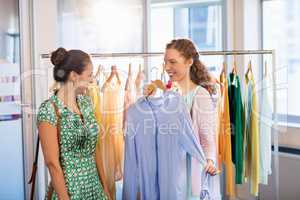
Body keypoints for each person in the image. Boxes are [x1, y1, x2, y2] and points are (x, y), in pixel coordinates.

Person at [37, 47, 109, 200]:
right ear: (74, 76)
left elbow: (94, 148)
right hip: (69, 192)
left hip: (95, 190)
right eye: (89, 75)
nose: (92, 80)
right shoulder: (49, 110)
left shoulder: (86, 102)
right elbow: (52, 164)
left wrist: (105, 188)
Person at [164, 39, 221, 199]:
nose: (167, 67)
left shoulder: (200, 95)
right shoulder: (171, 94)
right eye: (165, 62)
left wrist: (209, 161)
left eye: (173, 62)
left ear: (189, 62)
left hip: (190, 174)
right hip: (173, 172)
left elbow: (207, 137)